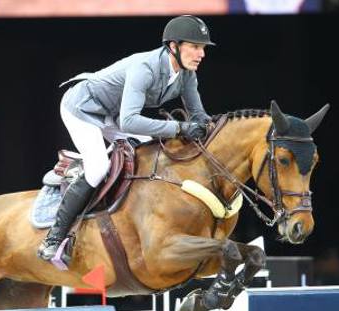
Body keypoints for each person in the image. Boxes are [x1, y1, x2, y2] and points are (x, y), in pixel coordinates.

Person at [38, 15, 215, 261]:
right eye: (195, 47)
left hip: (112, 115)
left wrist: (214, 128)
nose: (201, 54)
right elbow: (131, 121)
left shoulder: (186, 74)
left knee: (151, 151)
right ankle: (54, 238)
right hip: (81, 108)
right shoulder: (145, 68)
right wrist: (179, 128)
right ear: (173, 47)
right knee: (98, 168)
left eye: (203, 48)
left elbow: (199, 117)